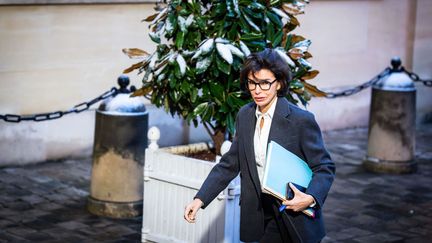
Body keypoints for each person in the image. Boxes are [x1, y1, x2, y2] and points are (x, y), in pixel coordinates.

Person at [184, 48, 335, 243]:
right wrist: (200, 199)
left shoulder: (300, 120)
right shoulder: (245, 116)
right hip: (258, 214)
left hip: (294, 214)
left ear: (279, 83)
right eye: (252, 83)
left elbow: (325, 167)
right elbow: (230, 163)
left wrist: (310, 198)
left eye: (265, 83)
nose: (257, 90)